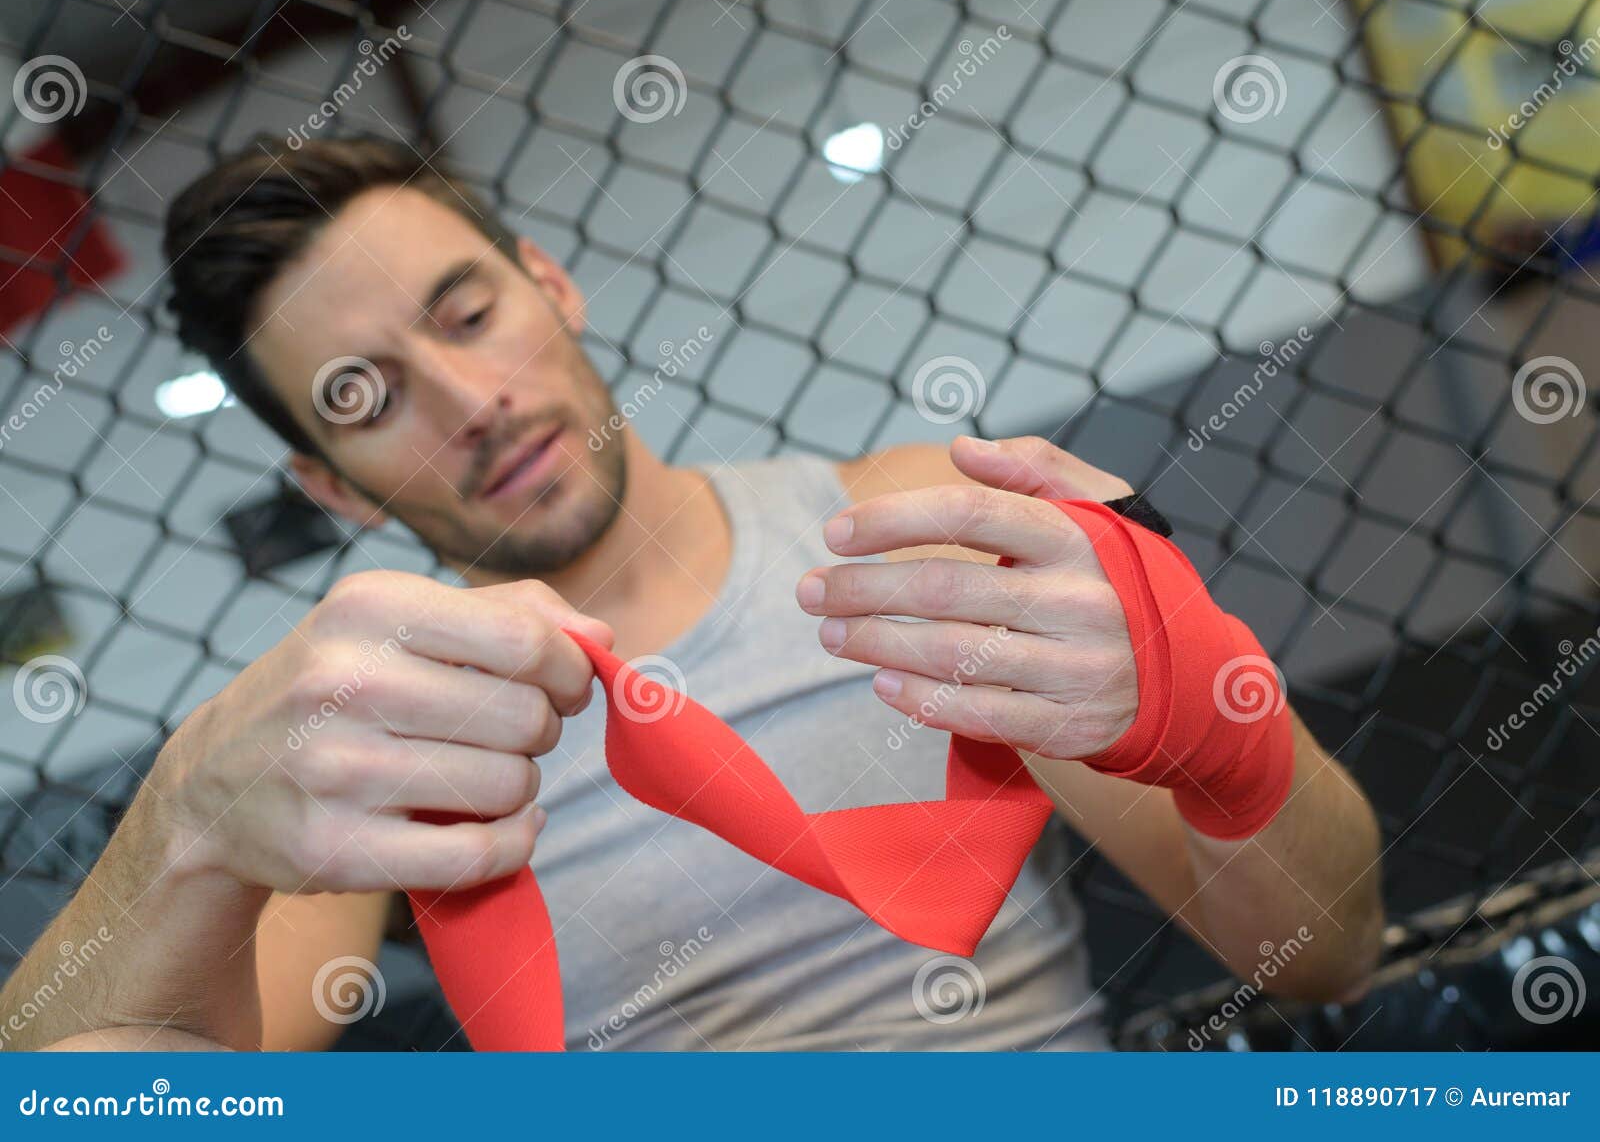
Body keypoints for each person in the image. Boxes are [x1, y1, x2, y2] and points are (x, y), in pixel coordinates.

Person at [2, 136, 1382, 1052]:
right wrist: (182, 823)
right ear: (334, 488)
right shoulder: (403, 746)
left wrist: (1223, 725)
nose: (473, 402)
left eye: (467, 312)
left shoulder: (915, 530)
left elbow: (1322, 957)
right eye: (368, 397)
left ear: (551, 284)